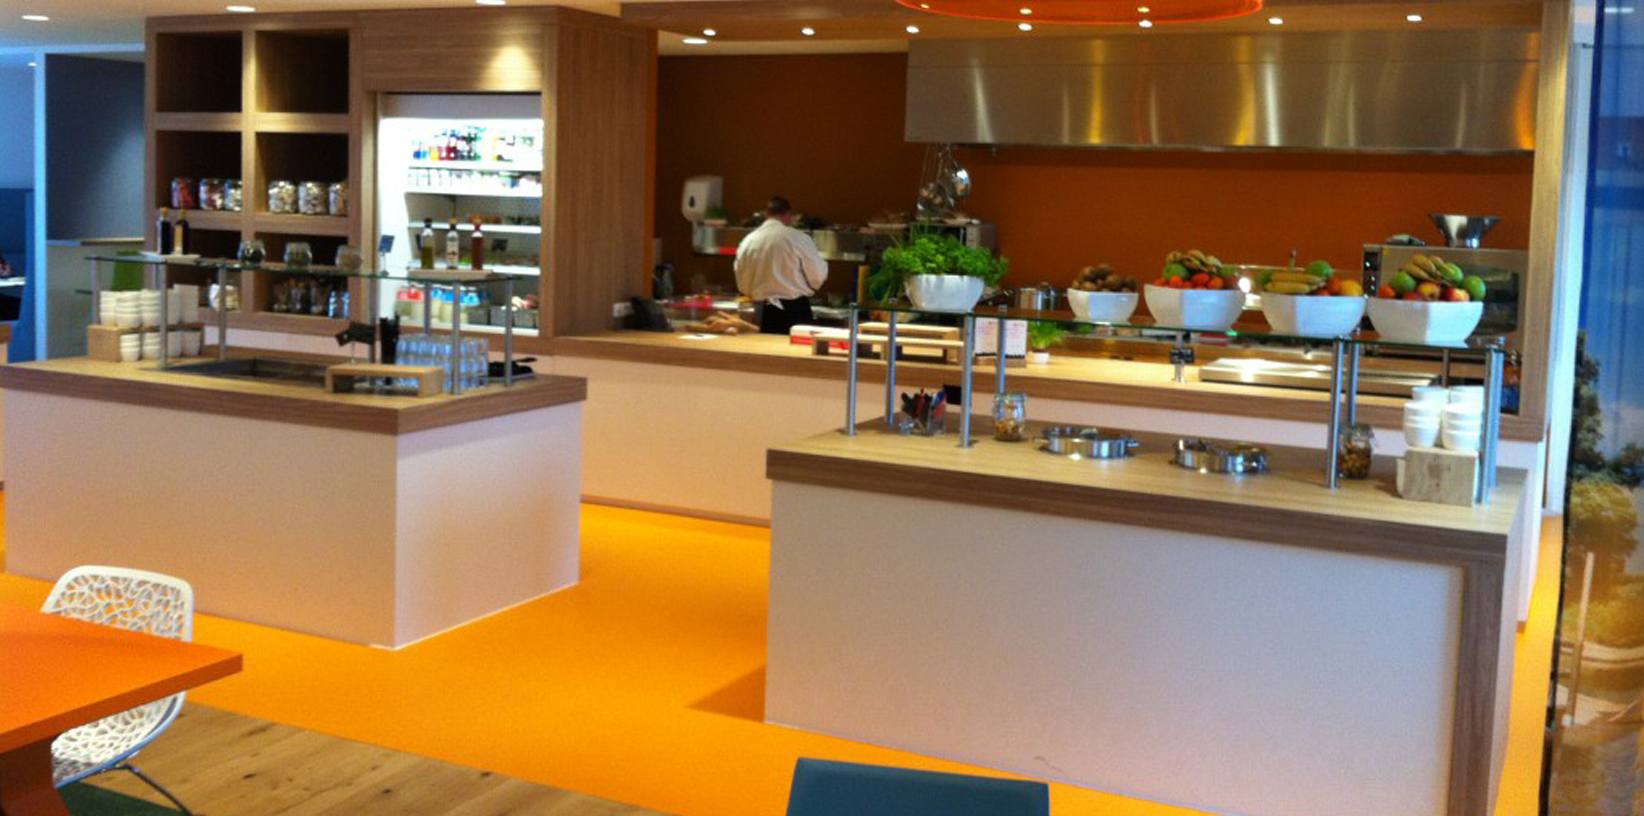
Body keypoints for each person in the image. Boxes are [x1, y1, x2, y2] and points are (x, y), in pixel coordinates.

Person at [733, 196, 827, 335]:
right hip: (793, 309)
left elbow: (742, 284)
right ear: (788, 215)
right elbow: (817, 275)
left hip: (760, 311)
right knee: (796, 348)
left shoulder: (748, 241)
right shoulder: (797, 237)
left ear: (766, 214)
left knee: (762, 348)